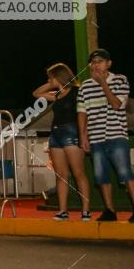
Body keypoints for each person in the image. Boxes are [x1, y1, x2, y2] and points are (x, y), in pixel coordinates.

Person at [77, 49, 134, 222]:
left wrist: (103, 84)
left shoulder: (120, 80)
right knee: (101, 176)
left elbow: (117, 104)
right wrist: (83, 136)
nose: (96, 65)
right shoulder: (85, 86)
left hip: (116, 134)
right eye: (93, 62)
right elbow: (81, 112)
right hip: (95, 137)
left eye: (100, 61)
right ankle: (110, 210)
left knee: (125, 173)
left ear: (109, 63)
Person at [33, 65, 91, 221]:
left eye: (50, 76)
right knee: (61, 175)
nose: (48, 79)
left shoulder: (76, 92)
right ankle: (63, 210)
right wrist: (51, 83)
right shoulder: (57, 94)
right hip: (56, 133)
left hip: (71, 132)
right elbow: (37, 94)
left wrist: (84, 134)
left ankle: (86, 210)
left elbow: (84, 114)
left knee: (78, 173)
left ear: (59, 76)